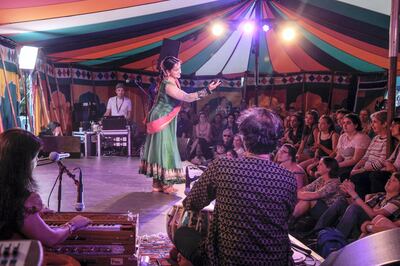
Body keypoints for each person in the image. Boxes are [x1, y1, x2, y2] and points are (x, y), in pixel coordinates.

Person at [174, 107, 297, 265]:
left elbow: (191, 203)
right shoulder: (288, 178)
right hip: (276, 261)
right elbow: (286, 217)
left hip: (229, 260)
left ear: (244, 138)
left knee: (183, 234)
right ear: (275, 143)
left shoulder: (223, 166)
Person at [139, 56, 221, 194]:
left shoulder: (170, 80)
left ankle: (157, 183)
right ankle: (166, 184)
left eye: (180, 68)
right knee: (165, 149)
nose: (180, 72)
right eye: (176, 69)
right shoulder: (169, 85)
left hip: (163, 117)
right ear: (168, 71)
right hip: (162, 118)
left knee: (161, 148)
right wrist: (207, 90)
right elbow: (187, 97)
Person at [0, 128, 91, 246]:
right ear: (23, 162)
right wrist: (72, 225)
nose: (36, 161)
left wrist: (32, 217)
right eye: (35, 157)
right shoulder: (21, 199)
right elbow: (51, 238)